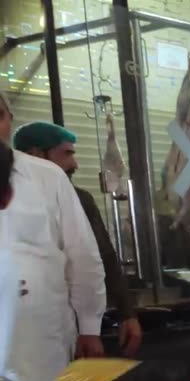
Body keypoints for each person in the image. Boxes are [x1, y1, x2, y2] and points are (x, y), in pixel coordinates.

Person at [0, 93, 106, 381]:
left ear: (10, 120)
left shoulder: (47, 177)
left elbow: (82, 254)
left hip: (44, 343)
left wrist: (89, 327)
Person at [12, 122, 142, 356]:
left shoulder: (80, 199)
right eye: (66, 154)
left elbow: (102, 257)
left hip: (67, 331)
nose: (75, 164)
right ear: (35, 154)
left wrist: (126, 314)